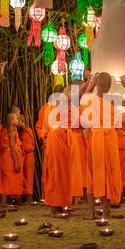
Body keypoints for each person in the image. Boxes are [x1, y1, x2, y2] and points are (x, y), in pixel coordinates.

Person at [82, 73, 125, 219]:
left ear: (97, 84)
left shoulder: (90, 100)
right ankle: (106, 210)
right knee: (109, 173)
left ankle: (91, 212)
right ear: (109, 86)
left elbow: (82, 98)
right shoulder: (112, 101)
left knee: (93, 172)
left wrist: (91, 82)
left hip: (96, 138)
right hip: (110, 138)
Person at [41, 88, 82, 216]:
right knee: (56, 173)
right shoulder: (55, 105)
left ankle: (61, 204)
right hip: (56, 139)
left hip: (64, 139)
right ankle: (54, 207)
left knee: (64, 173)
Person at [0, 112, 24, 206]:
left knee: (9, 178)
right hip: (10, 157)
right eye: (16, 118)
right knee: (9, 178)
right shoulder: (11, 130)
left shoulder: (9, 129)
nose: (17, 120)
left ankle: (7, 201)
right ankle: (4, 202)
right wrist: (16, 162)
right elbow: (12, 146)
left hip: (8, 156)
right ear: (11, 121)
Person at [18, 115, 35, 203]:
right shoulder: (20, 132)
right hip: (23, 155)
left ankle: (29, 197)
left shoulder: (28, 130)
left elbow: (29, 145)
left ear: (23, 120)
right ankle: (23, 196)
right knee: (23, 177)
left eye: (18, 120)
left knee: (28, 176)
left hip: (28, 155)